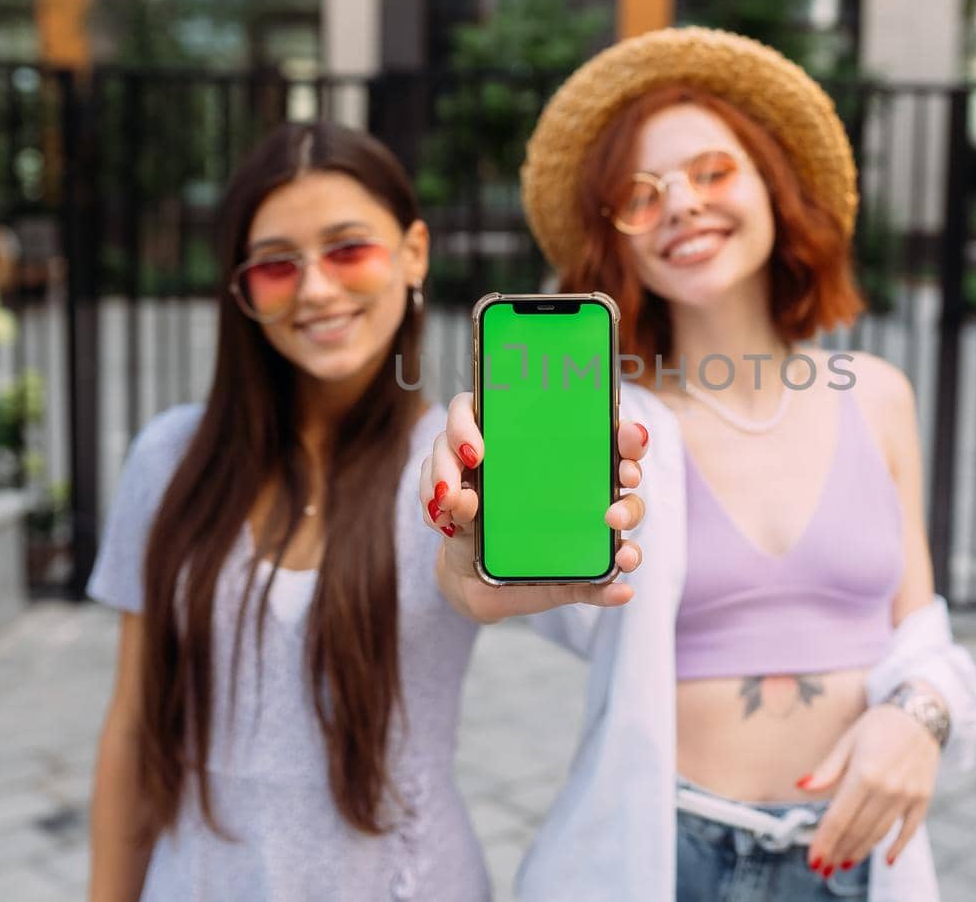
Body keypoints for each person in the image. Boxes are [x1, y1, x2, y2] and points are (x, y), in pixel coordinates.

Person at [424, 28, 976, 901]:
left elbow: (921, 631)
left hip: (851, 856)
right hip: (668, 856)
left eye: (713, 171)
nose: (682, 204)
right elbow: (500, 591)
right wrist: (469, 553)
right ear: (616, 237)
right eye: (640, 195)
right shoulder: (612, 425)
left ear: (773, 183)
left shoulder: (876, 395)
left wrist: (921, 718)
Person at [85, 122, 649, 900]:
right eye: (277, 266)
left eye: (349, 249)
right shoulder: (167, 458)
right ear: (242, 290)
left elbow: (473, 581)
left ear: (414, 252)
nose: (315, 288)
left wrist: (478, 547)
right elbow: (130, 728)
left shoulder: (456, 466)